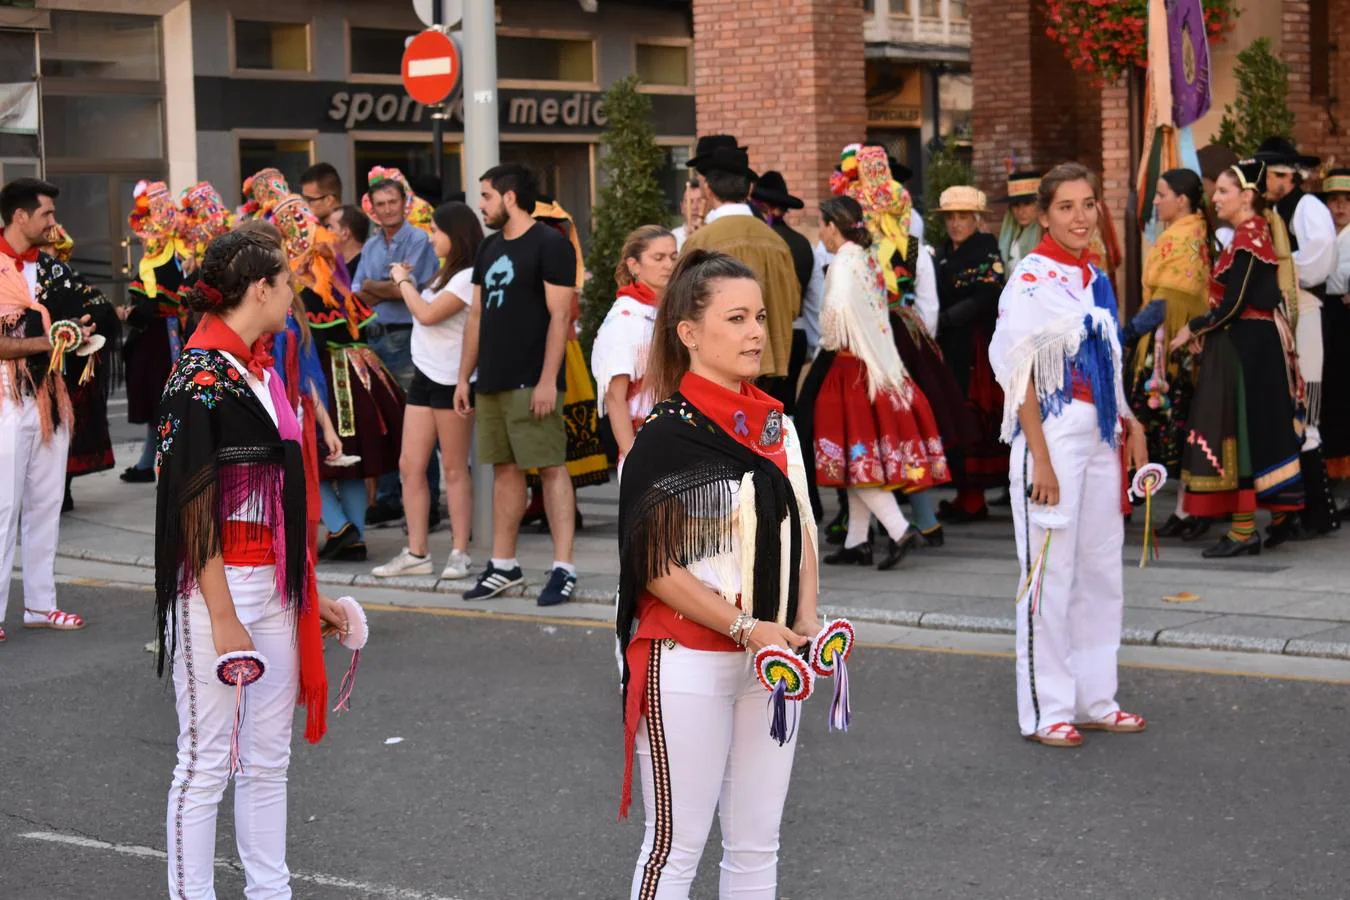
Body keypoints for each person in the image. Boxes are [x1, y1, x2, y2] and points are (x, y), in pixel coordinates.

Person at [615, 249, 819, 899]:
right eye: (736, 318)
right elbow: (654, 566)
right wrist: (744, 625)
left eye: (760, 316)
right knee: (674, 851)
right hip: (688, 657)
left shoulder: (775, 424)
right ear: (689, 332)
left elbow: (802, 530)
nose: (757, 332)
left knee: (758, 847)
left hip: (768, 658)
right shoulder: (666, 436)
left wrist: (804, 621)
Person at [154, 228, 349, 899]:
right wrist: (223, 612)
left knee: (267, 762)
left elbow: (277, 498)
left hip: (273, 581)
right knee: (206, 763)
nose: (295, 296)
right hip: (222, 588)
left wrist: (303, 591)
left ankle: (272, 893)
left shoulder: (255, 369)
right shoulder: (199, 376)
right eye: (289, 284)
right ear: (261, 288)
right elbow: (192, 506)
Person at [988, 162, 1149, 748]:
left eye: (1089, 205)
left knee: (1101, 572)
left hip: (1102, 433)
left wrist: (1129, 422)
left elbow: (1108, 361)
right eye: (1066, 207)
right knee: (1048, 575)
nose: (1080, 217)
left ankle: (1094, 697)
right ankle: (1045, 708)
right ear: (1043, 215)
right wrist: (1042, 459)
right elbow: (1020, 373)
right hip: (1051, 434)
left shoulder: (1095, 279)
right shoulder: (1030, 281)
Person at [455, 163, 578, 607]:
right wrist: (464, 377)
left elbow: (561, 316)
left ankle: (563, 568)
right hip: (492, 378)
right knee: (504, 470)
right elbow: (475, 316)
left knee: (550, 467)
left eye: (486, 196)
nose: (481, 205)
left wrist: (548, 380)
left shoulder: (550, 244)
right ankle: (503, 565)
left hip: (534, 380)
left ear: (509, 197)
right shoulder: (489, 248)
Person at [1171, 160, 1307, 557]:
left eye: (1224, 191)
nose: (1215, 197)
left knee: (1241, 433)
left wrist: (1194, 328)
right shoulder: (1248, 235)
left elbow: (1234, 305)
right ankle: (1280, 518)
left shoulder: (1250, 238)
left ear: (1247, 196)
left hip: (1250, 347)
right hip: (1246, 343)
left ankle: (1245, 529)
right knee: (1256, 429)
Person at [813, 195, 950, 570]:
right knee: (861, 458)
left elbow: (835, 316)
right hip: (877, 367)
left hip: (849, 367)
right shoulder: (867, 258)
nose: (820, 233)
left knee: (854, 456)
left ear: (831, 225)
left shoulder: (842, 262)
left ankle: (898, 528)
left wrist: (823, 341)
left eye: (820, 225)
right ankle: (858, 541)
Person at [269, 193, 406, 564]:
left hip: (327, 374)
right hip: (363, 371)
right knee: (350, 463)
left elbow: (302, 344)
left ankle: (341, 528)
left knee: (315, 458)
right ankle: (355, 536)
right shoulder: (334, 272)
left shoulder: (296, 283)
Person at [0, 178, 94, 640]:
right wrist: (49, 340)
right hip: (5, 401)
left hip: (51, 399)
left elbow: (70, 319)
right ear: (20, 217)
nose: (54, 223)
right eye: (46, 215)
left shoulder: (53, 269)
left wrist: (80, 330)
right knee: (3, 507)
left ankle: (41, 604)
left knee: (46, 504)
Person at [372, 201, 483, 580]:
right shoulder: (443, 275)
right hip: (425, 375)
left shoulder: (468, 276)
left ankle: (460, 552)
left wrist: (401, 280)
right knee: (410, 465)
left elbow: (427, 314)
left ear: (457, 234)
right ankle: (417, 552)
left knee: (453, 468)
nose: (431, 237)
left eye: (436, 230)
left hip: (453, 381)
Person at [1255, 136, 1341, 541]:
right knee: (1291, 407)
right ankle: (1299, 510)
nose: (1262, 181)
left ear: (1288, 177)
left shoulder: (1307, 207)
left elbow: (1321, 257)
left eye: (1268, 174)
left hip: (1305, 311)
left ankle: (1318, 513)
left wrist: (1277, 272)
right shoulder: (1271, 210)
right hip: (1287, 313)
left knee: (1307, 407)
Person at [1122, 169, 1212, 538]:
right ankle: (1181, 508)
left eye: (1161, 194)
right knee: (1171, 425)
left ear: (1183, 200)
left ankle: (1152, 502)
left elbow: (1168, 301)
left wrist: (1126, 333)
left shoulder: (1186, 236)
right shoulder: (1185, 232)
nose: (1155, 201)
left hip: (1169, 352)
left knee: (1157, 421)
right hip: (1169, 347)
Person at [351, 168, 441, 529]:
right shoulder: (372, 245)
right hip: (375, 337)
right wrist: (387, 283)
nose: (388, 209)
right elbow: (359, 290)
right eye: (381, 204)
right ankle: (391, 500)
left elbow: (411, 291)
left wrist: (387, 286)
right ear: (372, 208)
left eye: (393, 202)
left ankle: (428, 503)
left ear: (406, 203)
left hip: (406, 336)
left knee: (414, 420)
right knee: (384, 421)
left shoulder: (419, 240)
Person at [680, 142, 801, 384]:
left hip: (719, 370)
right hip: (771, 366)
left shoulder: (700, 241)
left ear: (708, 189)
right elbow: (793, 306)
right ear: (748, 190)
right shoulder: (775, 241)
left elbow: (683, 307)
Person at [934, 184, 1009, 523]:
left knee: (974, 419)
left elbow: (987, 297)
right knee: (953, 417)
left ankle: (973, 497)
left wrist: (946, 318)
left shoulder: (986, 250)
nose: (956, 224)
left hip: (976, 351)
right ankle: (964, 493)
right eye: (951, 217)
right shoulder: (942, 252)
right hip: (949, 347)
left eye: (963, 217)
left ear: (977, 220)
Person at [39, 224, 118, 510]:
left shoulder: (71, 280)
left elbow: (102, 312)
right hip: (42, 368)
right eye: (45, 249)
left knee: (64, 431)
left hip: (70, 371)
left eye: (53, 249)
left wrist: (84, 328)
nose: (49, 254)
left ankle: (63, 490)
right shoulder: (30, 280)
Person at [121, 180, 189, 483]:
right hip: (157, 336)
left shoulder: (179, 251)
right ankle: (151, 461)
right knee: (158, 400)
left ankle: (161, 462)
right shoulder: (158, 255)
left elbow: (167, 300)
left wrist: (136, 313)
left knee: (168, 397)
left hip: (170, 335)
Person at [590, 224, 676, 462]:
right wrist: (632, 458)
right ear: (634, 265)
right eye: (658, 258)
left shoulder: (674, 310)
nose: (668, 265)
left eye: (673, 256)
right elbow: (615, 396)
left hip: (678, 436)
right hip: (644, 441)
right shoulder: (625, 318)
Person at [751, 170, 819, 412]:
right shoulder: (804, 244)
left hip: (761, 335)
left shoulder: (757, 241)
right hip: (796, 334)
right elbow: (814, 300)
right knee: (785, 407)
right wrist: (814, 344)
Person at [1321, 167, 1350, 495]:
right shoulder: (1323, 235)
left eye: (1346, 200)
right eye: (1334, 200)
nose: (1340, 207)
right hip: (1330, 315)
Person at [996, 170, 1043, 273]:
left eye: (1027, 204)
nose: (1021, 211)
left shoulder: (1047, 236)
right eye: (1016, 205)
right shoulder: (1009, 236)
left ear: (1039, 205)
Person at [326, 203, 369, 275]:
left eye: (331, 227)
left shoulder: (367, 268)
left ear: (345, 233)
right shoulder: (333, 266)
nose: (326, 231)